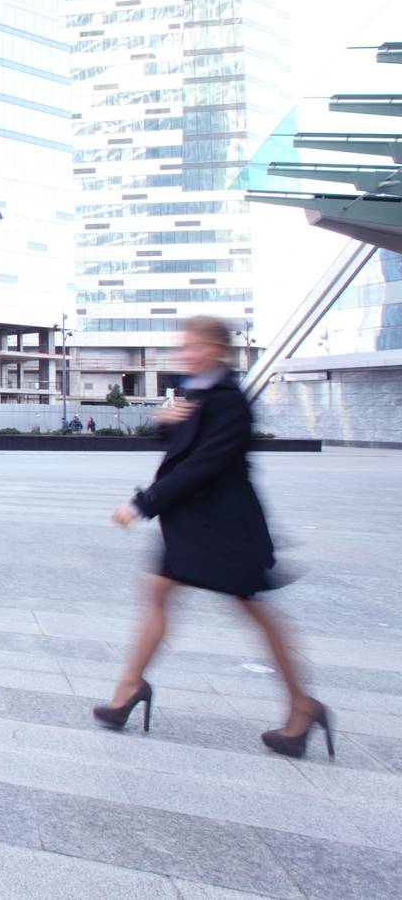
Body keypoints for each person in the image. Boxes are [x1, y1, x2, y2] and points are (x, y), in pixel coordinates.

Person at [98, 315, 330, 758]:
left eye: (191, 346)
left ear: (216, 350)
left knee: (253, 609)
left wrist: (141, 504)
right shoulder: (202, 393)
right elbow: (182, 447)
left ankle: (303, 705)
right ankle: (129, 689)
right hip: (196, 523)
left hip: (226, 528)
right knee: (159, 590)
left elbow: (202, 463)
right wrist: (165, 423)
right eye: (182, 346)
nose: (183, 353)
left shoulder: (228, 401)